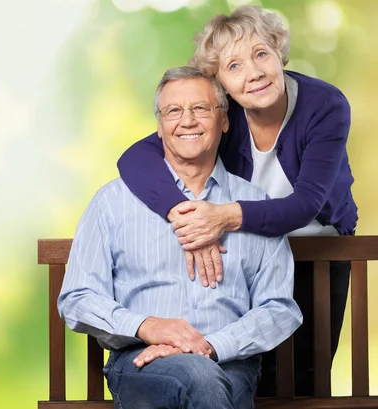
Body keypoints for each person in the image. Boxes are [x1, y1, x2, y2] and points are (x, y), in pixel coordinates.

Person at [116, 6, 356, 396]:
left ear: (279, 53)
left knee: (306, 384)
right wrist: (186, 214)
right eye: (234, 66)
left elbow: (306, 204)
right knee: (246, 371)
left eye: (261, 54)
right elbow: (135, 157)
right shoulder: (221, 117)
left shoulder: (325, 106)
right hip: (252, 253)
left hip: (318, 248)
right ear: (221, 85)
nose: (254, 73)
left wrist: (223, 217)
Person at [58, 66, 302, 409]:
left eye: (201, 109)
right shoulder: (113, 201)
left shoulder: (254, 206)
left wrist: (210, 346)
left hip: (228, 362)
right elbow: (77, 298)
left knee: (203, 377)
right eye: (173, 111)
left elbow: (279, 309)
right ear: (159, 127)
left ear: (225, 120)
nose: (187, 121)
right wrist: (147, 326)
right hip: (141, 363)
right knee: (199, 379)